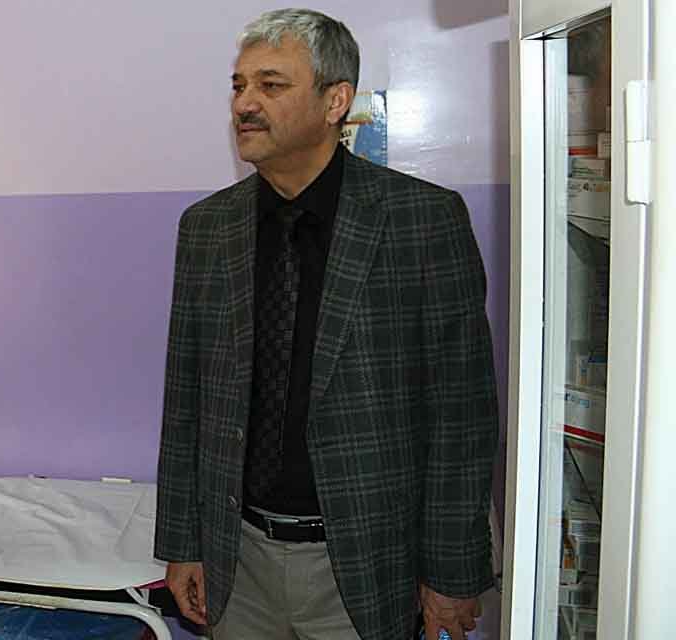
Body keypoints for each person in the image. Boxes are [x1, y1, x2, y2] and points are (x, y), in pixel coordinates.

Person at [154, 8, 499, 640]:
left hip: (366, 565)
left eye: (271, 85)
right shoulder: (206, 228)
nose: (245, 104)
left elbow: (462, 415)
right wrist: (183, 542)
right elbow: (186, 400)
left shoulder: (422, 222)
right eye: (239, 85)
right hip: (237, 561)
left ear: (335, 101)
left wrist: (451, 572)